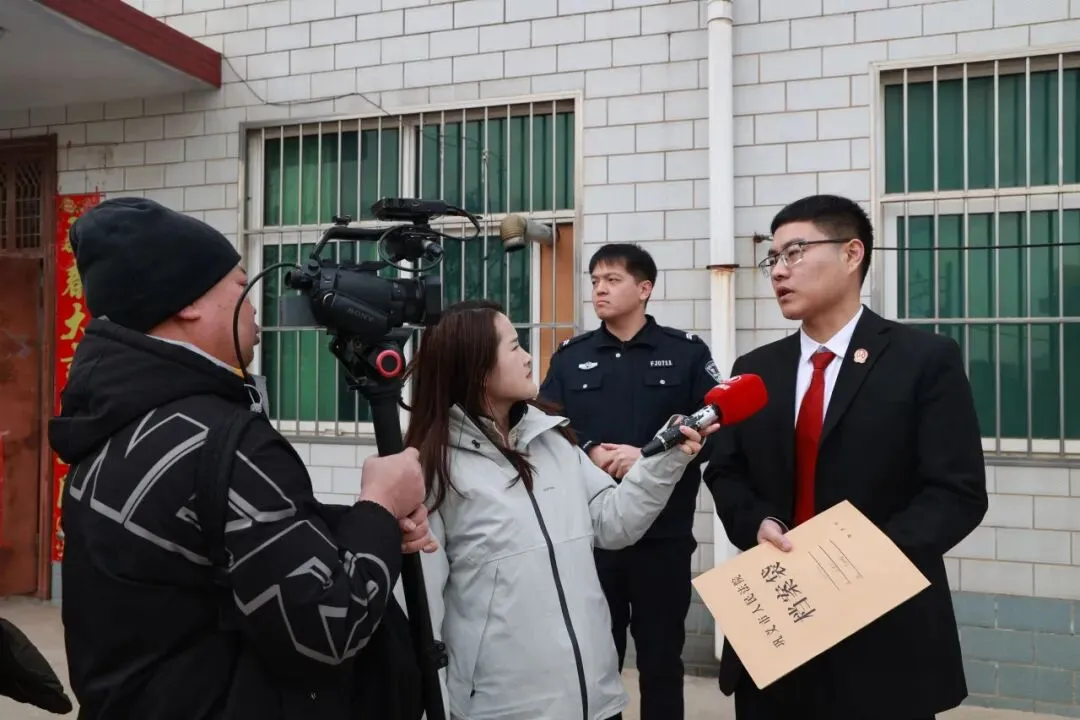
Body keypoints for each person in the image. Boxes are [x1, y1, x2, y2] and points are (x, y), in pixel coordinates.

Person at [48, 197, 435, 720]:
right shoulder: (224, 440)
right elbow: (328, 628)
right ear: (187, 303)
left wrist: (363, 527)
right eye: (239, 285)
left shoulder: (108, 424)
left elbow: (199, 545)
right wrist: (380, 505)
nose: (254, 305)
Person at [705, 194, 988, 719]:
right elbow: (725, 468)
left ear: (852, 253)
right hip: (777, 629)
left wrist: (856, 562)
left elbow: (957, 492)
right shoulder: (756, 369)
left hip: (882, 630)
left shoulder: (923, 360)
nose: (779, 271)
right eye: (773, 258)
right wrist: (755, 521)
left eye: (795, 252)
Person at [403, 299, 719, 720]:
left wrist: (665, 459)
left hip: (595, 700)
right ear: (476, 367)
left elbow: (613, 523)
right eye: (514, 347)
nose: (528, 357)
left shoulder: (552, 440)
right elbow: (421, 616)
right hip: (503, 709)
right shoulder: (432, 472)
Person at [538, 243, 722, 720]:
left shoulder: (684, 353)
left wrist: (649, 456)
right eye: (595, 280)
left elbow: (718, 429)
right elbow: (545, 429)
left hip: (663, 537)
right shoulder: (572, 357)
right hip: (593, 538)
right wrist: (590, 451)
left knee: (662, 661)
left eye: (612, 279)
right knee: (597, 661)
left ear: (644, 289)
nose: (599, 289)